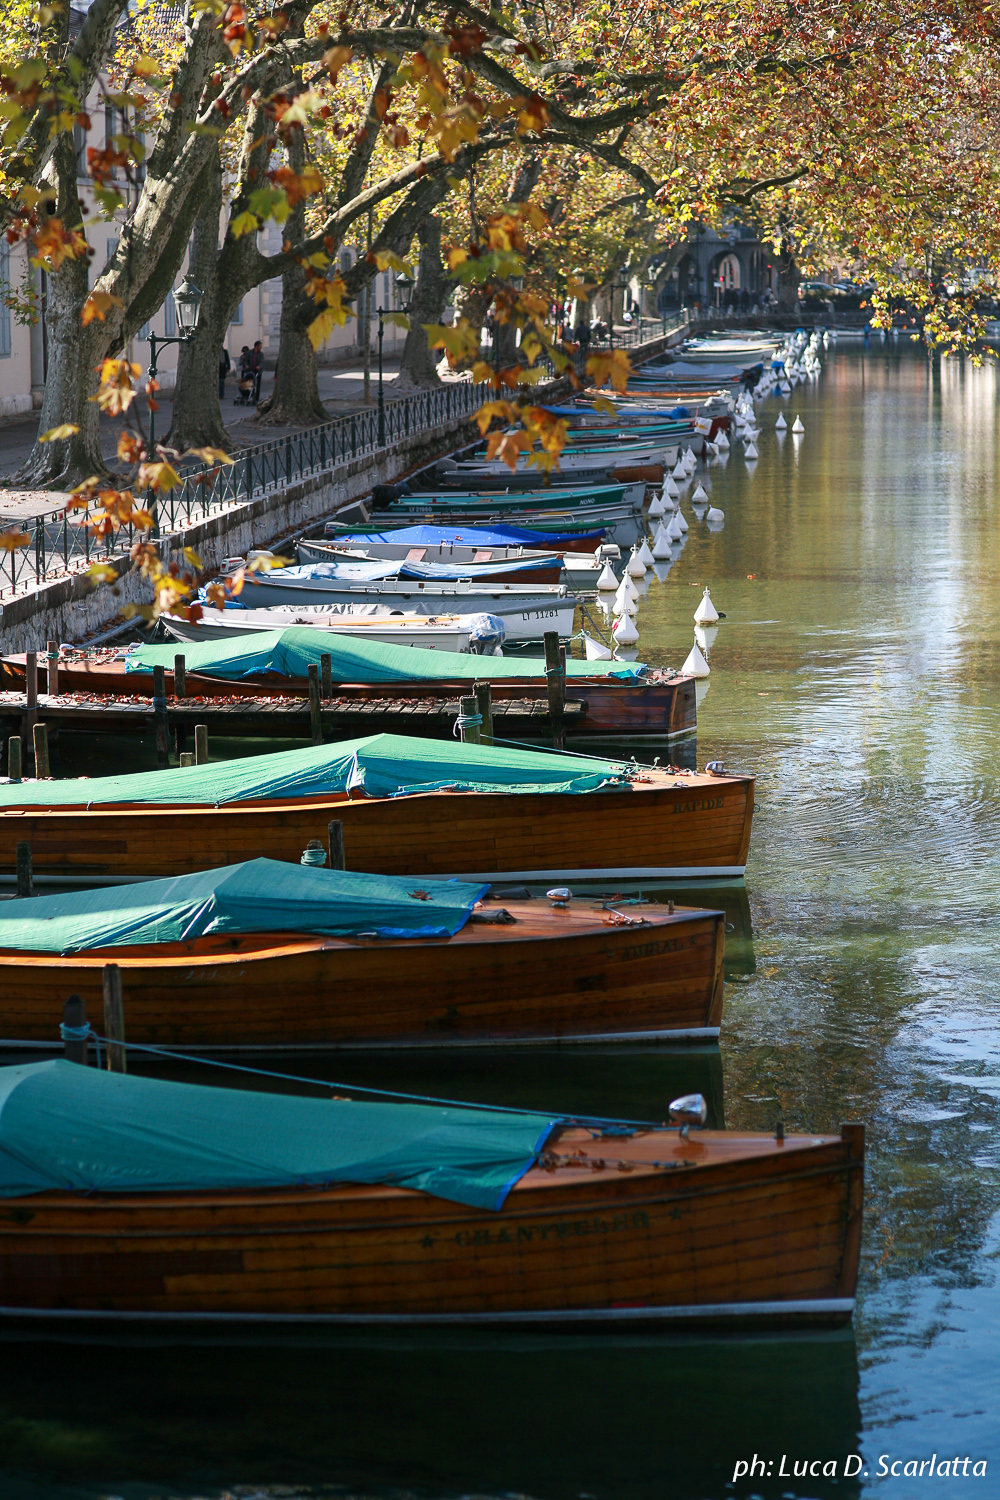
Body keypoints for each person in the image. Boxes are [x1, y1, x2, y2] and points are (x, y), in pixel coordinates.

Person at [250, 340, 263, 404]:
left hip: (258, 370)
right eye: (260, 345)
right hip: (251, 370)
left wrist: (259, 366)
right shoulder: (250, 352)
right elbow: (247, 359)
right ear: (257, 346)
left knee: (258, 384)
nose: (261, 347)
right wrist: (247, 365)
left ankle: (257, 398)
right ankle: (251, 396)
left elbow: (262, 361)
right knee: (251, 384)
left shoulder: (261, 354)